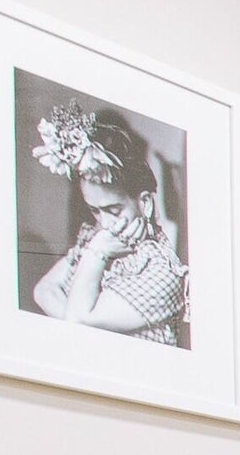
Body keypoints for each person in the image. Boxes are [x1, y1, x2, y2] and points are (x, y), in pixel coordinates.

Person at [27, 101, 187, 346]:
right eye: (94, 210)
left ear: (144, 203)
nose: (104, 223)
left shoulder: (162, 271)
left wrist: (98, 253)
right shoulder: (95, 240)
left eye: (113, 210)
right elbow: (43, 289)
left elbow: (78, 320)